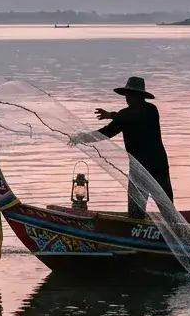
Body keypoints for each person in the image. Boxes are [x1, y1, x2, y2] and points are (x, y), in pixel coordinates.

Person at [71, 76, 173, 219]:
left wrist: (82, 137)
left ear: (137, 95)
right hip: (159, 164)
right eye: (127, 95)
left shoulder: (127, 115)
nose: (127, 98)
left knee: (138, 211)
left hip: (140, 168)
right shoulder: (151, 110)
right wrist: (112, 115)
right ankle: (172, 231)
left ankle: (137, 231)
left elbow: (106, 133)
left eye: (129, 94)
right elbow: (130, 116)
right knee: (166, 206)